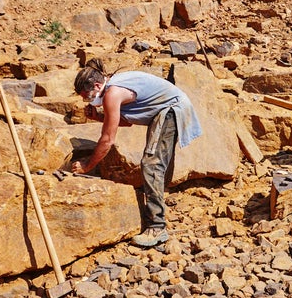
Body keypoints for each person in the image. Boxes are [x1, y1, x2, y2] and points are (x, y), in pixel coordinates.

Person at [72, 58, 202, 247]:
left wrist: (86, 166)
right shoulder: (113, 88)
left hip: (171, 109)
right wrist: (99, 117)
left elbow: (108, 139)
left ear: (98, 85)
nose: (88, 101)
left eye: (88, 96)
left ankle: (157, 227)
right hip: (164, 110)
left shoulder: (112, 93)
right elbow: (126, 120)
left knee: (152, 163)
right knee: (154, 162)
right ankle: (155, 203)